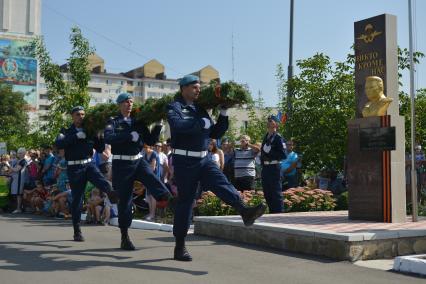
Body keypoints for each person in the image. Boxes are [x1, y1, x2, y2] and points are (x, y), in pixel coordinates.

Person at [167, 75, 266, 261]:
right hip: (184, 161)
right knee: (186, 202)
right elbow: (178, 125)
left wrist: (223, 113)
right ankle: (180, 246)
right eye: (194, 87)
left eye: (199, 87)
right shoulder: (175, 106)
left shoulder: (201, 109)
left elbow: (215, 133)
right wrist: (198, 124)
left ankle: (244, 211)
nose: (198, 90)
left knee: (221, 182)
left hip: (204, 159)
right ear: (184, 89)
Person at [104, 93, 171, 250]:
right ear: (120, 104)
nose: (129, 104)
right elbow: (109, 138)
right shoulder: (113, 121)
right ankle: (124, 236)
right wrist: (128, 136)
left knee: (151, 177)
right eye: (126, 101)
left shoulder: (138, 122)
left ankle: (168, 198)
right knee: (125, 200)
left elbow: (150, 141)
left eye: (131, 101)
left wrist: (159, 125)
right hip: (121, 163)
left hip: (137, 159)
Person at [56, 106, 116, 242]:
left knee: (101, 179)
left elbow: (100, 148)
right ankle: (77, 230)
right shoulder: (66, 131)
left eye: (83, 114)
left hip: (88, 164)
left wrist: (99, 134)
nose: (81, 116)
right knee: (77, 199)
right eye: (78, 114)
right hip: (74, 167)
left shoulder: (89, 130)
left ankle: (112, 194)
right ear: (72, 116)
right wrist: (75, 137)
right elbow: (59, 144)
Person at [260, 115, 286, 213]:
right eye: (268, 121)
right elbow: (263, 151)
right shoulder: (266, 136)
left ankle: (279, 213)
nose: (269, 122)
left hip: (274, 167)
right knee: (267, 191)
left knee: (275, 192)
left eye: (271, 121)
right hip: (266, 167)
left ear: (276, 124)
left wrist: (271, 153)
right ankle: (272, 212)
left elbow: (283, 154)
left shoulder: (278, 138)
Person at [9, 148, 28, 213]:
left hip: (20, 180)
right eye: (18, 153)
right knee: (17, 194)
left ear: (24, 154)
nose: (18, 154)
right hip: (16, 179)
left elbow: (16, 170)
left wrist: (8, 165)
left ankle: (19, 208)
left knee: (19, 194)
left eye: (20, 153)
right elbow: (13, 169)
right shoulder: (18, 160)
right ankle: (18, 208)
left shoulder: (23, 161)